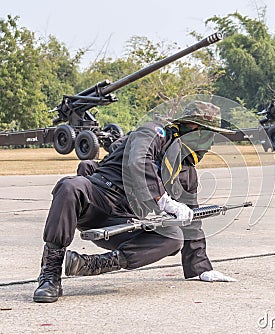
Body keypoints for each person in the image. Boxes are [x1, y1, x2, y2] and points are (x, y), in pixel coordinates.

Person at [33, 100, 237, 303]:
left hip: (123, 220)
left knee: (173, 237)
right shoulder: (154, 132)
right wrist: (163, 200)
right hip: (100, 196)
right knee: (70, 186)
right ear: (191, 128)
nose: (210, 141)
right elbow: (140, 160)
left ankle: (92, 264)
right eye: (207, 132)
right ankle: (50, 275)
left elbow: (191, 221)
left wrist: (201, 268)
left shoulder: (186, 173)